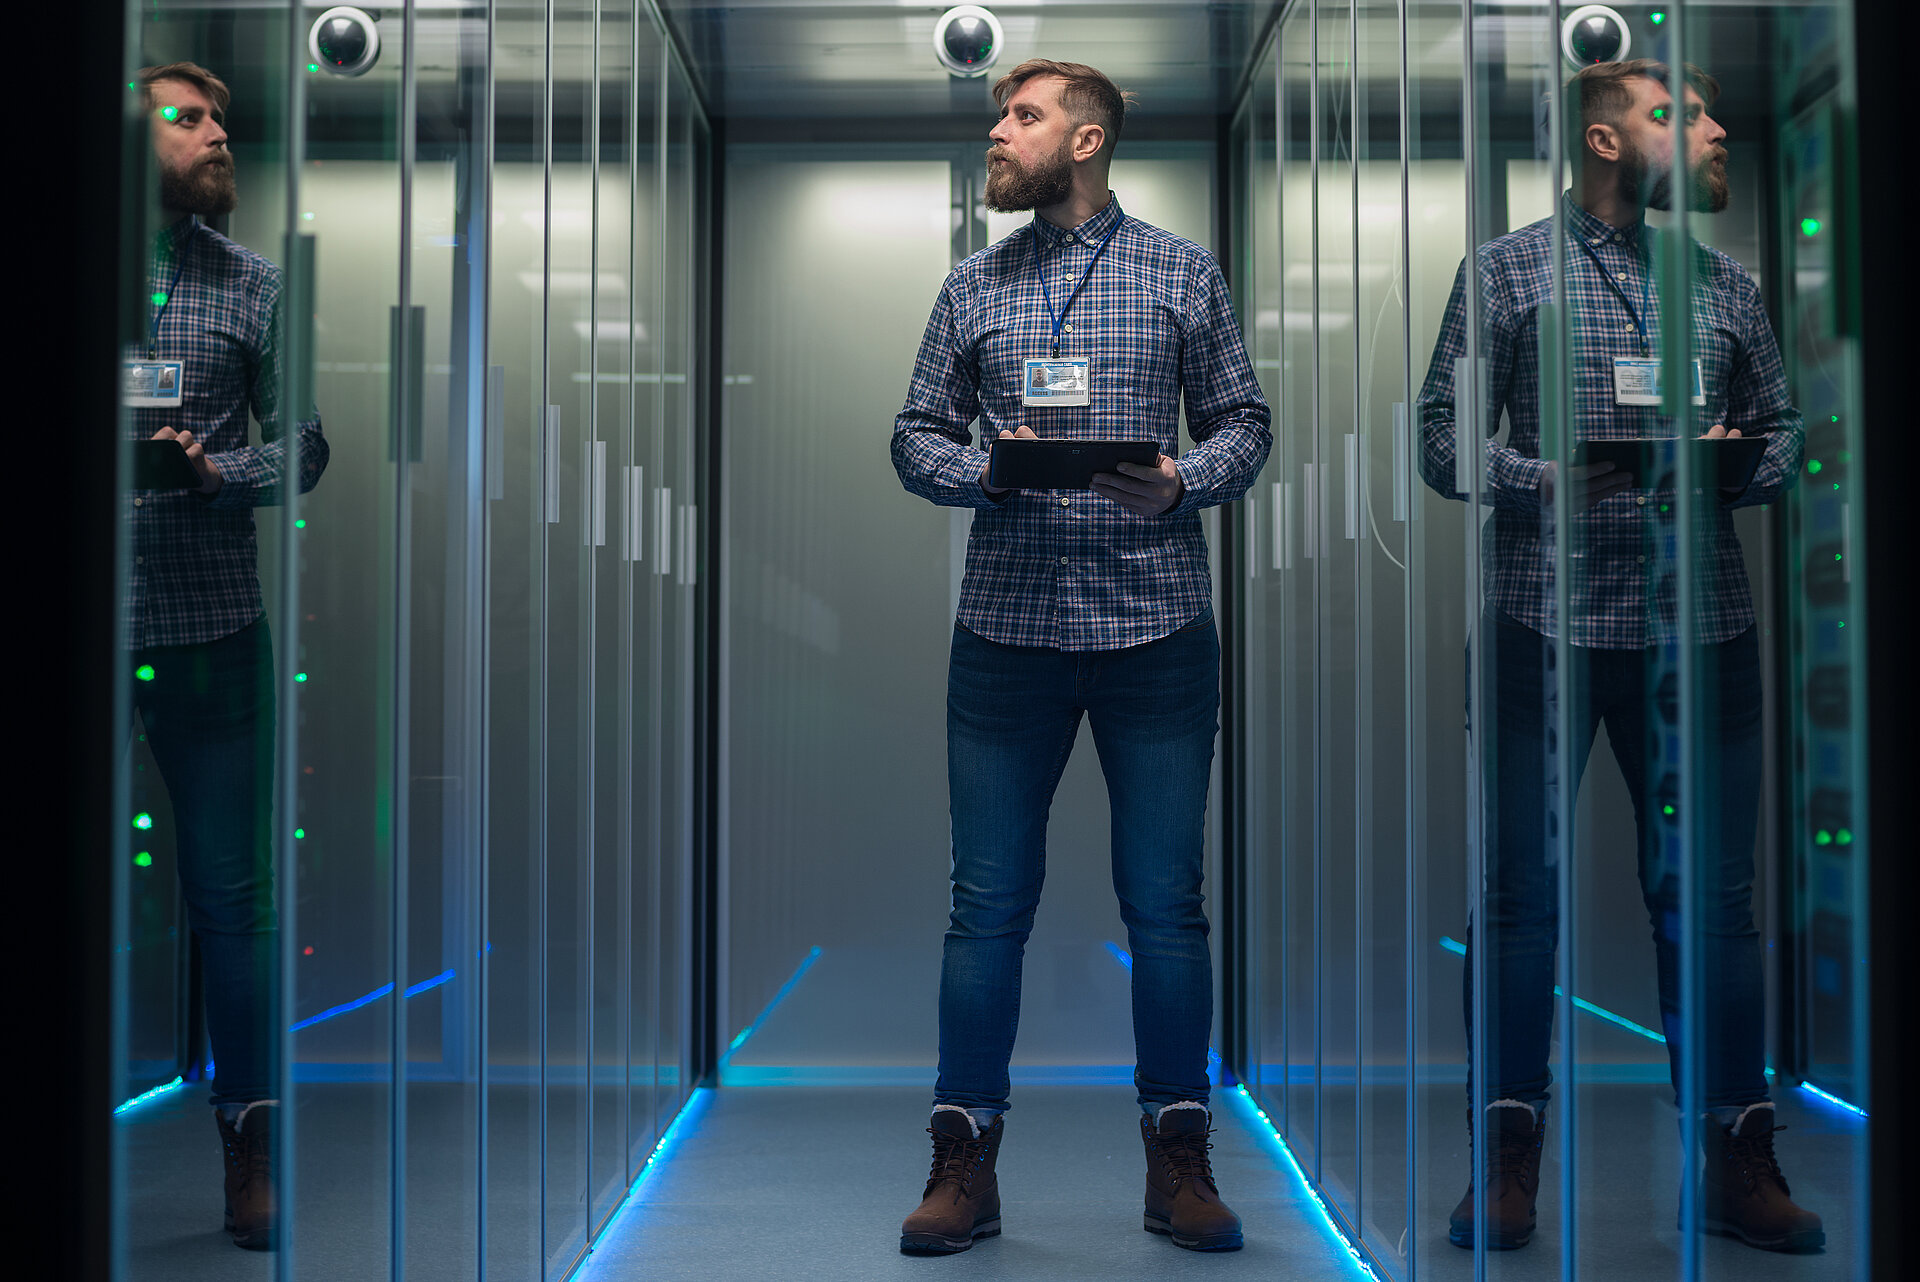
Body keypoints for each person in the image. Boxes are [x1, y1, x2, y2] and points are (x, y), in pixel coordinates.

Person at [1418, 59, 1817, 1252]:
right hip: (1540, 624)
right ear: (1603, 138)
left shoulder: (1728, 283)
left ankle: (1737, 1159)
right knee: (1515, 902)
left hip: (1703, 632)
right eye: (1680, 114)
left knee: (1714, 904)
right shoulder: (1505, 272)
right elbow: (1440, 439)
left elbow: (1789, 435)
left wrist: (1733, 461)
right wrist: (1556, 477)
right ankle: (1504, 1160)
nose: (1711, 128)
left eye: (1706, 110)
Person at [890, 58, 1270, 1256]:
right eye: (1001, 115)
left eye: (1023, 116)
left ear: (1088, 140)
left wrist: (1180, 484)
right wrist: (985, 472)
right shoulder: (972, 287)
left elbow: (1245, 425)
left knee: (1167, 910)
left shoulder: (1180, 273)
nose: (998, 132)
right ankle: (964, 1162)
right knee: (983, 909)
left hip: (1156, 631)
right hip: (1006, 639)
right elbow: (912, 438)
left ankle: (1179, 1161)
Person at [125, 61, 330, 1251]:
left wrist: (216, 470)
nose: (216, 138)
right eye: (186, 119)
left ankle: (250, 1145)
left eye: (220, 123)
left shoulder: (256, 287)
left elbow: (302, 447)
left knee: (234, 898)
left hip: (209, 630)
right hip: (88, 621)